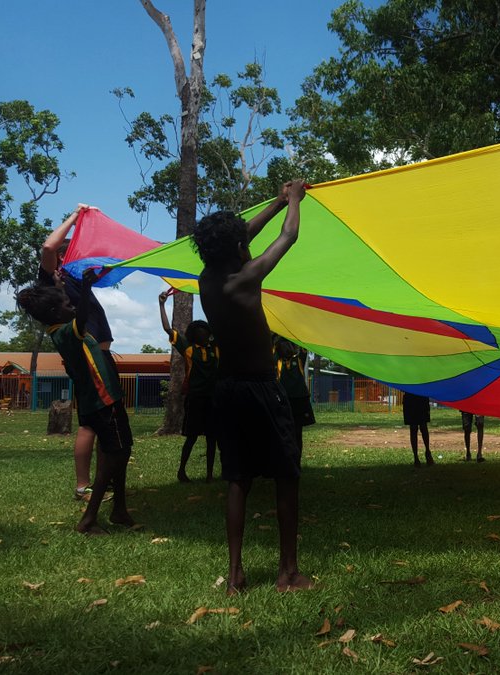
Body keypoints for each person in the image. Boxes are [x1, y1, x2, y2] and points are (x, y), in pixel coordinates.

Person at [194, 180, 311, 594]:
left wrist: (277, 202)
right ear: (237, 250)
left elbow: (242, 236)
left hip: (227, 389)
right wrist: (294, 201)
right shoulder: (245, 278)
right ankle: (288, 573)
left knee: (238, 479)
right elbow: (289, 237)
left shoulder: (208, 279)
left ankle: (236, 575)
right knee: (286, 476)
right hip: (261, 388)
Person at [16, 270, 133, 535]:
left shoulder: (62, 330)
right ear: (57, 313)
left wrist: (59, 285)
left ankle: (120, 509)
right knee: (116, 455)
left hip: (98, 402)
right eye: (68, 304)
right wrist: (87, 288)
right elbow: (82, 317)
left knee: (120, 452)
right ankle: (89, 519)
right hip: (103, 403)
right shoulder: (67, 332)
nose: (72, 306)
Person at [40, 204, 113, 501]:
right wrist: (75, 215)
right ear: (62, 258)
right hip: (87, 360)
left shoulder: (75, 278)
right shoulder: (51, 281)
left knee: (100, 423)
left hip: (99, 356)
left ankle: (98, 481)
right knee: (90, 423)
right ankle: (83, 487)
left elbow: (107, 267)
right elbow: (48, 245)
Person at [159, 290, 219, 482]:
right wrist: (162, 305)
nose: (203, 332)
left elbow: (223, 324)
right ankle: (181, 471)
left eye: (205, 330)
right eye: (198, 330)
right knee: (191, 436)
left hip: (213, 398)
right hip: (195, 398)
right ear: (193, 335)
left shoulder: (215, 348)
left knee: (212, 438)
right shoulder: (187, 348)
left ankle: (210, 474)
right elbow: (168, 329)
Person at [275, 336, 316, 456]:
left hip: (299, 401)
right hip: (284, 401)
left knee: (297, 432)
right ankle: (289, 460)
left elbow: (304, 348)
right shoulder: (278, 361)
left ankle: (296, 460)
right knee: (286, 432)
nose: (285, 347)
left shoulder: (298, 360)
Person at [403, 393, 433, 466]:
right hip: (418, 399)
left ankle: (421, 455)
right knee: (420, 427)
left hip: (414, 399)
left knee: (417, 428)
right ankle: (422, 454)